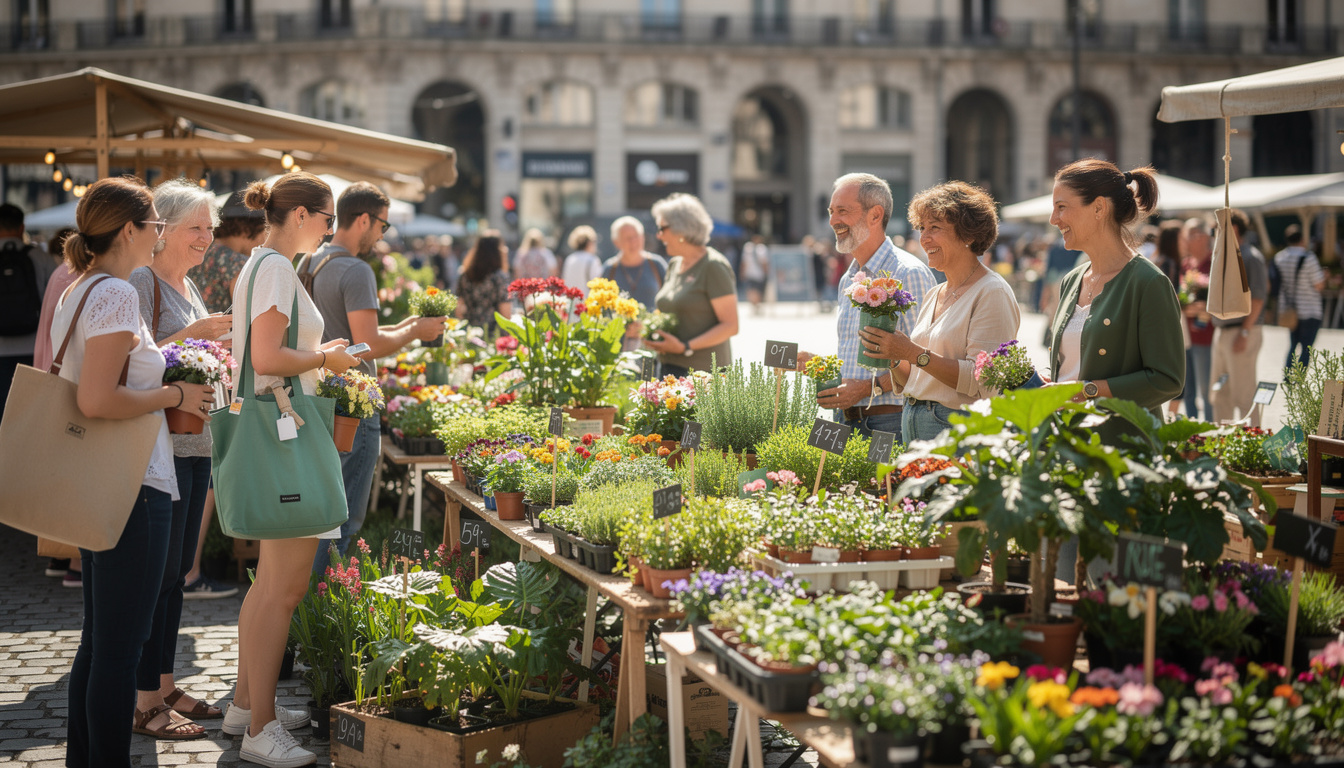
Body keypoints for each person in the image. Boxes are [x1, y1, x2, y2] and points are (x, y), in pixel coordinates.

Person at [55, 176, 216, 768]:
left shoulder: (82, 287)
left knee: (99, 646)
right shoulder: (117, 293)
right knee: (118, 651)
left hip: (102, 476)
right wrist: (174, 394)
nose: (159, 235)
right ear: (131, 230)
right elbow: (98, 399)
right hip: (133, 483)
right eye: (155, 226)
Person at [225, 172, 361, 768]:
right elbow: (267, 357)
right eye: (328, 218)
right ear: (303, 214)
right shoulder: (277, 268)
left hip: (275, 429)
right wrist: (327, 356)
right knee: (285, 589)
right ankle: (260, 729)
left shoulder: (260, 263)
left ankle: (244, 705)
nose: (331, 229)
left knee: (268, 585)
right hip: (286, 433)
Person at [126, 179, 237, 739]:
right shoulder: (142, 280)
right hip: (160, 448)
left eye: (210, 227)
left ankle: (165, 683)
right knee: (160, 574)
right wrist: (198, 334)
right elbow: (140, 361)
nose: (207, 237)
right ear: (162, 229)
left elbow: (192, 359)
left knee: (178, 575)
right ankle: (146, 701)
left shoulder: (187, 283)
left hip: (196, 443)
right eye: (196, 227)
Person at [303, 182, 445, 575]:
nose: (383, 235)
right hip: (355, 404)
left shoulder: (312, 262)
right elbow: (367, 345)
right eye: (382, 225)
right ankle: (320, 610)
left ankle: (305, 606)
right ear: (363, 219)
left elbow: (352, 334)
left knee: (322, 512)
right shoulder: (355, 268)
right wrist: (416, 333)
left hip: (322, 400)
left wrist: (409, 324)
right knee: (344, 518)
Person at [856, 181, 1013, 443]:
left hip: (957, 429)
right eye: (922, 228)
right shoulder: (935, 292)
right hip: (916, 422)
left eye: (935, 228)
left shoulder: (991, 291)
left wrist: (911, 352)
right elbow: (914, 380)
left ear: (969, 234)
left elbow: (983, 381)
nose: (924, 238)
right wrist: (892, 355)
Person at [796, 174, 935, 440]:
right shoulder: (849, 277)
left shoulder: (908, 273)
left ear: (875, 215)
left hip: (887, 423)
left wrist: (867, 389)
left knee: (883, 485)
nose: (833, 221)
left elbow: (924, 362)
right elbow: (859, 360)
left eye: (843, 211)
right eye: (831, 212)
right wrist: (820, 364)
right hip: (844, 421)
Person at [1045, 160, 1184, 420]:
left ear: (1099, 207)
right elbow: (1074, 367)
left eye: (1061, 207)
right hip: (1065, 442)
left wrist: (1086, 390)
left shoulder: (1149, 282)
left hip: (1121, 448)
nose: (1054, 219)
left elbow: (1168, 380)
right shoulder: (1071, 280)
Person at [643, 193, 739, 378]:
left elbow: (730, 325)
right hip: (669, 368)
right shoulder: (675, 263)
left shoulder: (713, 265)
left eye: (662, 228)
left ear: (681, 229)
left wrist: (685, 347)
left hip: (705, 374)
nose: (659, 235)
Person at [1209, 211, 1268, 425]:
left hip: (1243, 330)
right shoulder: (1224, 255)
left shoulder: (1251, 257)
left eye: (1221, 227)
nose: (1217, 232)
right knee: (1219, 392)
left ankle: (1252, 443)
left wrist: (1245, 332)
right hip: (1223, 331)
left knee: (1244, 393)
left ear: (1234, 229)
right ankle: (1221, 443)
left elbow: (1259, 298)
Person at [0, 202, 56, 422]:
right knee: (27, 414)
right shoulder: (39, 257)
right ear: (21, 227)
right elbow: (55, 301)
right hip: (33, 346)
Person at [189, 191, 267, 314]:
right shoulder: (239, 263)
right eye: (265, 229)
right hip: (225, 332)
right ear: (249, 228)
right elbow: (248, 317)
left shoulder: (196, 250)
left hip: (191, 330)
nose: (265, 238)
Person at [602, 217, 667, 353]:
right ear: (616, 242)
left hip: (652, 342)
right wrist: (623, 328)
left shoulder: (656, 264)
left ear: (643, 237)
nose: (633, 242)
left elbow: (669, 302)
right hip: (618, 347)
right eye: (627, 238)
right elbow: (602, 310)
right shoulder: (609, 269)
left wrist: (648, 325)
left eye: (636, 236)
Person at [1276, 223, 1326, 372]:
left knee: (1293, 344)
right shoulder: (1309, 258)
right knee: (1307, 347)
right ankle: (1299, 379)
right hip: (1309, 309)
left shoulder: (1279, 258)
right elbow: (1318, 285)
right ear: (1302, 240)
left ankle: (1287, 375)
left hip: (1290, 309)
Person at [1180, 218, 1214, 421]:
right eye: (1187, 235)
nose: (1187, 240)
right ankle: (1194, 433)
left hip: (1206, 336)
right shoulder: (1186, 264)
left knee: (1206, 389)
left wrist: (1205, 308)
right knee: (1188, 389)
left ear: (1204, 237)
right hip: (1185, 335)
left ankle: (1210, 432)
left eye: (1192, 234)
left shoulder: (1213, 263)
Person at [454, 232, 512, 336]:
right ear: (497, 252)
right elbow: (506, 314)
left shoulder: (465, 275)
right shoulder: (500, 277)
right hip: (494, 336)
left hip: (470, 334)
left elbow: (458, 310)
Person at [561, 225, 603, 297]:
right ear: (589, 243)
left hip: (570, 302)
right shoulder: (593, 260)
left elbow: (565, 281)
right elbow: (597, 284)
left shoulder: (570, 259)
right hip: (586, 302)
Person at [739, 234, 770, 314]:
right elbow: (744, 262)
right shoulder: (748, 248)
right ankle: (755, 305)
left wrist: (766, 272)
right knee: (752, 290)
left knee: (757, 291)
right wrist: (742, 272)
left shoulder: (761, 249)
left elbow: (764, 263)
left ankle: (756, 305)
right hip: (751, 273)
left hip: (758, 274)